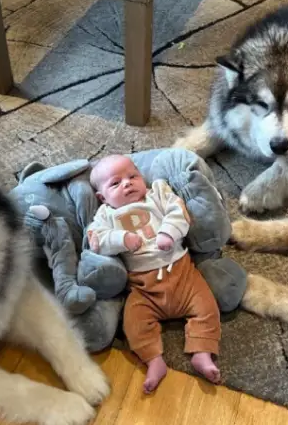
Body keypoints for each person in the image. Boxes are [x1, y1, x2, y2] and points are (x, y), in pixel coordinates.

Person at [86, 154, 222, 394]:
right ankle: (153, 360)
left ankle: (202, 352)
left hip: (182, 274)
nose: (127, 183)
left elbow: (179, 212)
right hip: (142, 287)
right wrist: (121, 239)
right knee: (133, 322)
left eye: (132, 176)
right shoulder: (105, 216)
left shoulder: (157, 193)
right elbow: (96, 242)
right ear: (102, 197)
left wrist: (168, 232)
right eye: (115, 183)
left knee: (207, 307)